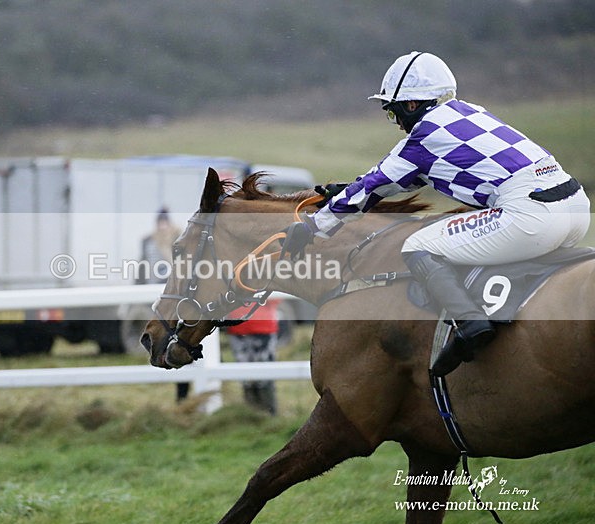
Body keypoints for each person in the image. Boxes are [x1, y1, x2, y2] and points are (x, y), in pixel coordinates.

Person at [280, 51, 590, 376]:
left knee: (419, 245)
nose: (397, 123)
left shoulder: (422, 138)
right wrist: (346, 190)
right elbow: (408, 177)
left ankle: (469, 325)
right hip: (576, 209)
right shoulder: (470, 113)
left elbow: (374, 184)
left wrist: (314, 227)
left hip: (533, 216)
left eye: (393, 112)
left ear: (411, 105)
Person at [224, 300, 280, 415]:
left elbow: (276, 297)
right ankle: (252, 414)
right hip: (238, 328)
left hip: (262, 327)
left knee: (265, 375)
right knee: (246, 377)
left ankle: (268, 414)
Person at [139, 208, 180, 284]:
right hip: (151, 283)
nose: (162, 228)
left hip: (170, 284)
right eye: (160, 224)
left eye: (165, 224)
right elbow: (143, 265)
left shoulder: (176, 241)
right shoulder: (149, 241)